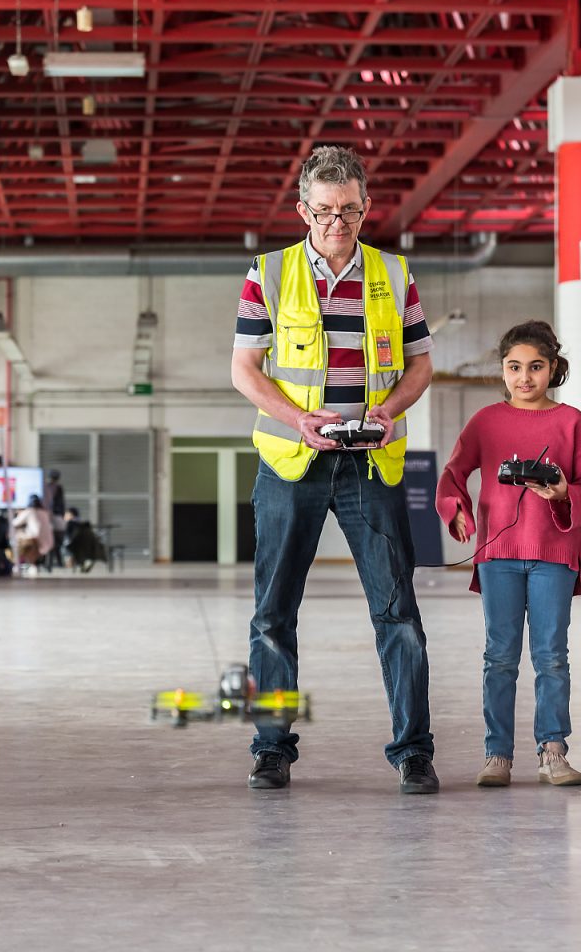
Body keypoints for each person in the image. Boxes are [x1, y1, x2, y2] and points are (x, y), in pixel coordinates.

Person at [230, 144, 438, 794]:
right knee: (272, 615)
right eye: (323, 212)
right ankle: (271, 747)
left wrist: (386, 409)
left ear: (365, 207)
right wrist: (300, 421)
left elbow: (419, 365)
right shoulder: (268, 273)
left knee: (398, 612)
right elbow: (244, 369)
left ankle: (413, 752)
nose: (336, 223)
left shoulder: (394, 275)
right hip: (292, 464)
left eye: (348, 211)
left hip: (370, 466)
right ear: (303, 209)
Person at [436, 321, 581, 788]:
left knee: (552, 657)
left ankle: (553, 752)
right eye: (514, 367)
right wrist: (456, 508)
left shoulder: (573, 423)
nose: (524, 378)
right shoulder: (486, 421)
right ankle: (498, 755)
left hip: (554, 553)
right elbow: (454, 472)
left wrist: (563, 492)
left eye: (535, 367)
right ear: (503, 370)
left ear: (554, 368)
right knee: (500, 657)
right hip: (498, 556)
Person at [11, 495, 54, 576]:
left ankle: (17, 563)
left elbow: (14, 523)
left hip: (35, 541)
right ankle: (32, 565)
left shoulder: (29, 511)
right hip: (49, 542)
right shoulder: (45, 512)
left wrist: (20, 514)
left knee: (17, 537)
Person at [45, 470, 67, 567]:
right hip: (56, 517)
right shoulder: (58, 488)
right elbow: (61, 504)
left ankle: (50, 563)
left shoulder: (46, 487)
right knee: (57, 542)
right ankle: (58, 563)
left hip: (48, 517)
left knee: (51, 542)